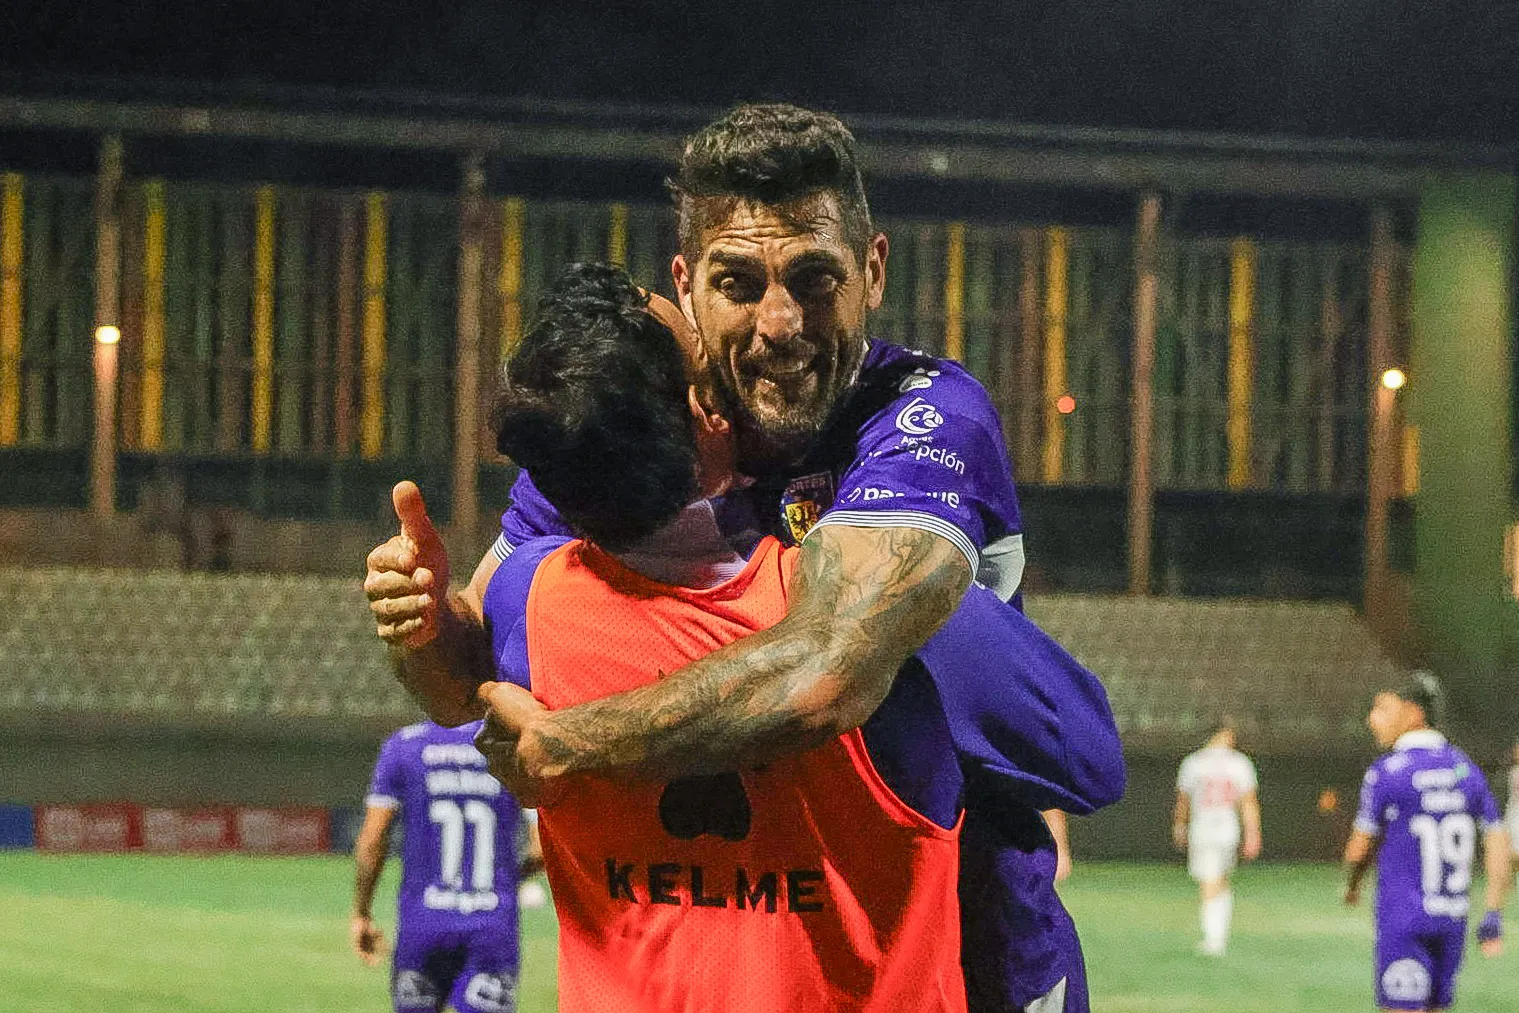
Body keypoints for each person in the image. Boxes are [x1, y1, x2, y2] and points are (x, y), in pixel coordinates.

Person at [364, 104, 1095, 1012]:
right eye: (739, 281)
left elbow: (829, 670)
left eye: (815, 277)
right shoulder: (644, 423)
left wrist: (576, 741)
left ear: (871, 272)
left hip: (963, 944)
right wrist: (424, 623)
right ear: (686, 284)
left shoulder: (921, 418)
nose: (779, 321)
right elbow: (465, 686)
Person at [476, 261, 1117, 1011]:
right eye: (702, 347)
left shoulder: (524, 604)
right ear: (708, 412)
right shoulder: (891, 614)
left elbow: (461, 655)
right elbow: (1089, 761)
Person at [1343, 673, 1512, 1013]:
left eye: (1382, 708)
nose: (1372, 719)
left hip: (1404, 919)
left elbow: (1359, 849)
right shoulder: (1466, 769)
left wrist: (1352, 884)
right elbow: (1497, 842)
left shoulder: (1389, 771)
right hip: (1452, 919)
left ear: (1412, 712)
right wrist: (1493, 911)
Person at [352, 720, 542, 1013]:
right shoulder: (511, 748)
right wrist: (505, 875)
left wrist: (362, 912)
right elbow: (541, 848)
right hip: (491, 925)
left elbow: (371, 841)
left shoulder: (403, 745)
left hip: (422, 924)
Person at [1172, 721, 1261, 957]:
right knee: (1220, 880)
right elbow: (1248, 803)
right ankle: (1218, 933)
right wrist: (1253, 834)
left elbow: (1184, 801)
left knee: (1208, 882)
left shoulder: (1194, 763)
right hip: (1228, 829)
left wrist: (1180, 827)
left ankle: (1214, 939)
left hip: (1203, 828)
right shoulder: (1240, 763)